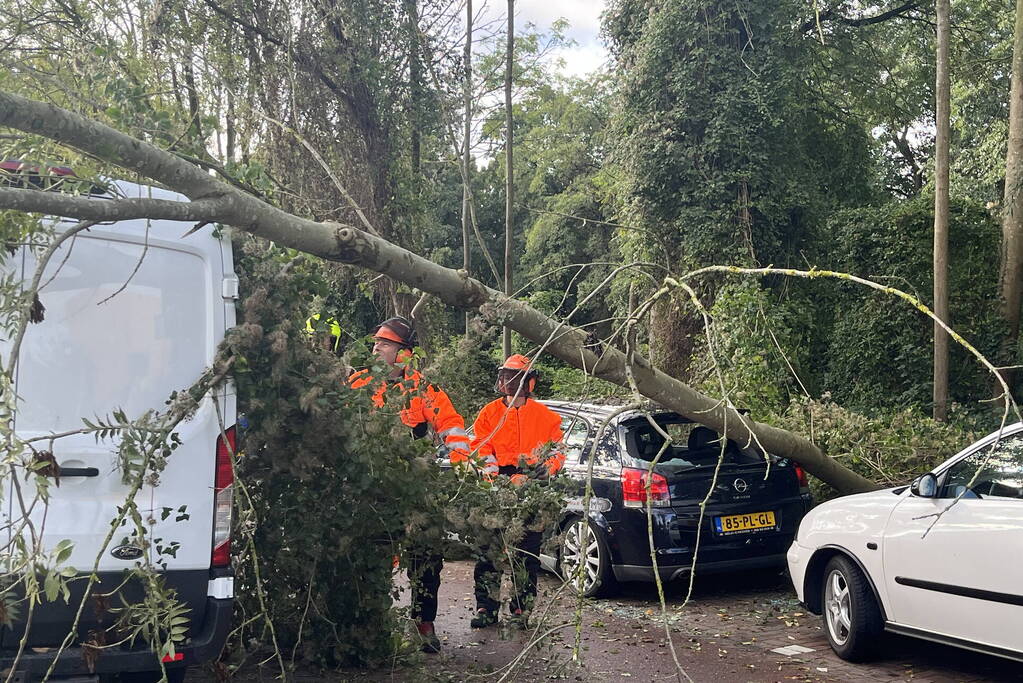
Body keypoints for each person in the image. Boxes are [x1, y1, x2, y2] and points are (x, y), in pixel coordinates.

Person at [348, 316, 472, 653]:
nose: (376, 348)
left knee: (426, 558)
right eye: (375, 343)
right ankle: (372, 624)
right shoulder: (357, 383)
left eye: (384, 344)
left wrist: (465, 466)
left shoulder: (424, 388)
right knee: (373, 555)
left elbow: (451, 425)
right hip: (373, 488)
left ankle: (424, 623)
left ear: (404, 353)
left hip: (417, 485)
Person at [459, 353, 565, 628]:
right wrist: (490, 475)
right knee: (488, 553)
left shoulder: (546, 417)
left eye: (513, 377)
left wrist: (547, 469)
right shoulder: (489, 412)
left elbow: (557, 451)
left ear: (528, 383)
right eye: (505, 376)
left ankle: (522, 608)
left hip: (531, 487)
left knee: (527, 554)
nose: (507, 381)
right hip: (496, 486)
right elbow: (480, 446)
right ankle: (486, 607)